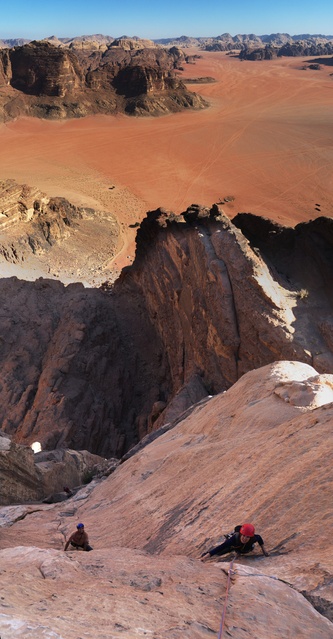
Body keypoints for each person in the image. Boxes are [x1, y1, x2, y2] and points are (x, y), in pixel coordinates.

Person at [201, 523, 268, 561]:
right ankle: (232, 534)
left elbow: (259, 538)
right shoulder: (233, 539)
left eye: (247, 537)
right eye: (243, 536)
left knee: (246, 549)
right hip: (234, 545)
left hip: (244, 548)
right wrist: (205, 557)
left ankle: (239, 550)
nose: (245, 538)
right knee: (220, 552)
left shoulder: (252, 539)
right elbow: (219, 548)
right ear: (240, 534)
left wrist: (264, 550)